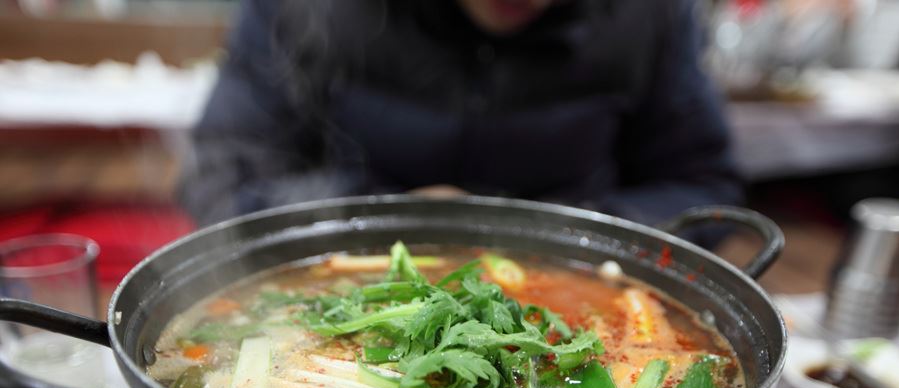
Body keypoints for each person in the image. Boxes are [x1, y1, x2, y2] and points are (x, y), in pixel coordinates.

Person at [181, 0, 741, 240]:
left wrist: (556, 233)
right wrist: (386, 216)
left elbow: (703, 188)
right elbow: (221, 177)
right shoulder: (305, 10)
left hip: (584, 295)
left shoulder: (650, 13)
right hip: (338, 285)